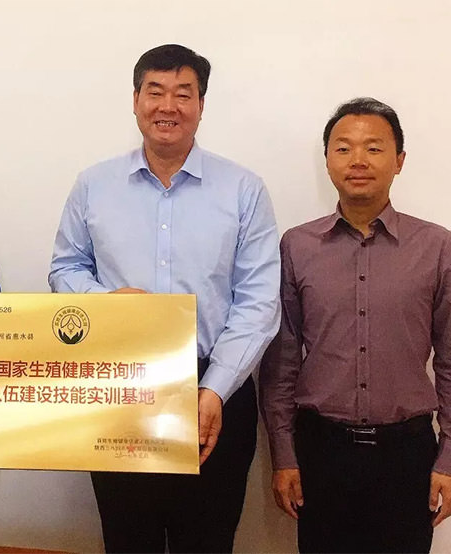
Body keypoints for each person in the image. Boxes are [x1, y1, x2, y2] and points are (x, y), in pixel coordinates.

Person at [48, 44, 280, 553]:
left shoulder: (243, 190)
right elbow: (65, 269)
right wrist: (105, 301)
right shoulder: (94, 185)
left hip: (215, 389)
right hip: (119, 387)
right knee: (128, 540)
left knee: (207, 542)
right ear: (135, 100)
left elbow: (260, 302)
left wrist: (214, 390)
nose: (167, 106)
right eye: (155, 92)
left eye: (183, 93)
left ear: (201, 104)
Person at [259, 97, 451, 553]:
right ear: (327, 160)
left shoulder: (436, 246)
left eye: (374, 148)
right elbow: (282, 362)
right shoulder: (297, 246)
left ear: (399, 160)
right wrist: (284, 455)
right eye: (343, 148)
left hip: (407, 455)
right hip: (321, 451)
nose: (357, 160)